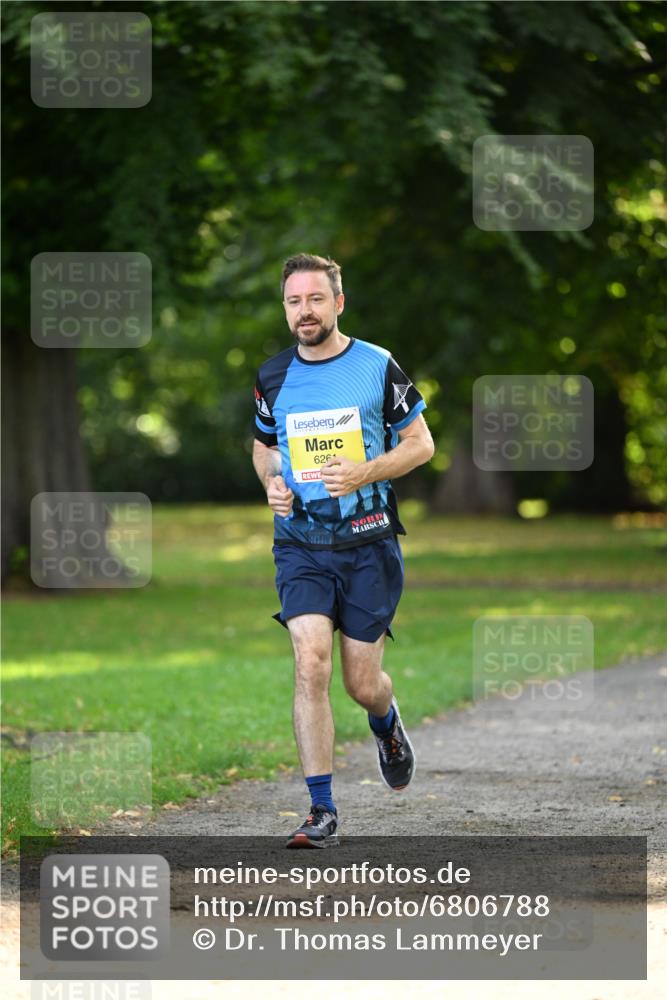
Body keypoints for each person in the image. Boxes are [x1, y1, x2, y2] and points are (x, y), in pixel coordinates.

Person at [252, 253, 434, 848]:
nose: (304, 311)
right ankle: (321, 809)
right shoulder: (272, 376)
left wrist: (364, 473)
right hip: (301, 544)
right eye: (293, 301)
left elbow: (421, 445)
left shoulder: (377, 366)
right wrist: (273, 484)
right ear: (285, 308)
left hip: (369, 543)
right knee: (310, 662)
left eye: (315, 299)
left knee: (361, 683)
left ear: (338, 303)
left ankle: (385, 721)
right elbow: (264, 448)